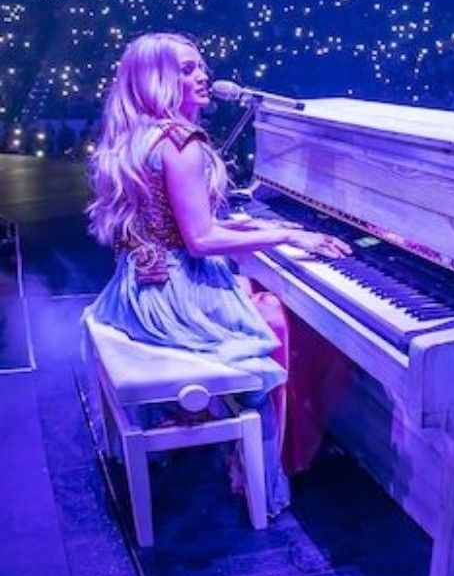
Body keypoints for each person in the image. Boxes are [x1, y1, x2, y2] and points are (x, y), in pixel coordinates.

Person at [81, 31, 350, 515]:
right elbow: (201, 240)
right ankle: (261, 463)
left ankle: (223, 423)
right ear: (156, 80)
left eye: (200, 65)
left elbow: (171, 223)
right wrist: (289, 235)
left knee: (261, 296)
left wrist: (252, 225)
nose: (202, 75)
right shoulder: (182, 143)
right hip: (173, 292)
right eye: (186, 69)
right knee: (276, 324)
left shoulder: (138, 136)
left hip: (138, 287)